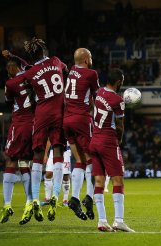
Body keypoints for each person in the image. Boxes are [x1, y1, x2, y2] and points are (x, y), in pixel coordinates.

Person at [10, 37, 68, 222]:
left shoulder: (30, 73)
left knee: (37, 154)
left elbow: (23, 82)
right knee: (58, 150)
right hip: (59, 111)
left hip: (41, 114)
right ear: (43, 51)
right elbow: (65, 71)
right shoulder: (56, 61)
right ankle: (55, 197)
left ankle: (35, 197)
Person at [90, 68, 134, 232]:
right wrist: (119, 141)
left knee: (99, 182)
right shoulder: (117, 100)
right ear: (118, 82)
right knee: (118, 181)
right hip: (108, 141)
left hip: (94, 140)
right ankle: (119, 220)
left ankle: (102, 221)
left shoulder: (99, 92)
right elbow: (120, 126)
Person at [63, 48, 99, 220]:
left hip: (67, 119)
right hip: (81, 120)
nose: (91, 60)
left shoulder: (71, 71)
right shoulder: (91, 74)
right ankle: (89, 198)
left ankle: (75, 199)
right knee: (93, 159)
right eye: (90, 57)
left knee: (79, 160)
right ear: (85, 59)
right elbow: (97, 96)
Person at [0, 53, 34, 225]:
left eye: (8, 68)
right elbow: (26, 63)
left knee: (11, 160)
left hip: (20, 123)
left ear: (13, 68)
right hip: (33, 124)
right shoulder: (30, 74)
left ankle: (7, 205)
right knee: (24, 163)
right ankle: (29, 202)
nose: (7, 72)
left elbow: (8, 101)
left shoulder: (10, 83)